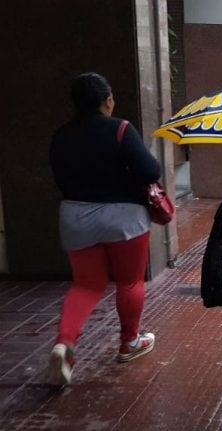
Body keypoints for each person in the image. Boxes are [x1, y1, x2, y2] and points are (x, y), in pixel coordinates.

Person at [48, 72, 161, 386]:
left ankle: (65, 342)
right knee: (129, 281)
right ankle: (130, 342)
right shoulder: (120, 129)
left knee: (85, 285)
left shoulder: (61, 135)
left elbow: (58, 177)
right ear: (107, 101)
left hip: (76, 216)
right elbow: (151, 170)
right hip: (124, 218)